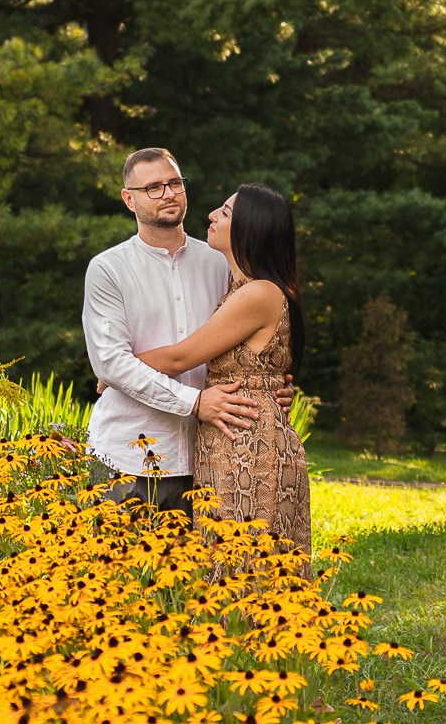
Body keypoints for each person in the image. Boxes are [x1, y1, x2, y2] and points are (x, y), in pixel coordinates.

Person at [81, 148, 291, 513]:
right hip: (127, 457)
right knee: (116, 569)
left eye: (174, 183)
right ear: (129, 199)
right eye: (153, 188)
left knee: (197, 569)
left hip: (206, 461)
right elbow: (111, 362)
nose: (168, 194)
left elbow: (255, 339)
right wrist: (193, 403)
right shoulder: (108, 269)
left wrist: (274, 385)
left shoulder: (220, 262)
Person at [134, 183, 310, 561]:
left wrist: (116, 368)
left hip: (249, 445)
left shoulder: (258, 292)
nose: (212, 215)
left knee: (245, 563)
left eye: (226, 213)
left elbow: (183, 357)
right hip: (235, 437)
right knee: (228, 560)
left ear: (251, 230)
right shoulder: (242, 288)